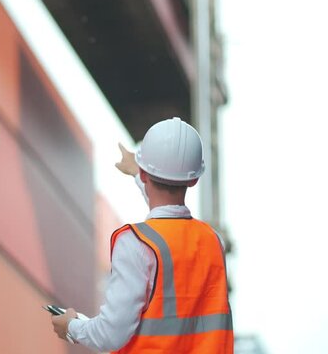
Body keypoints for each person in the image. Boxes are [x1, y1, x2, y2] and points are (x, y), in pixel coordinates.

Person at [51, 117, 233, 353]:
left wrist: (71, 327)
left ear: (146, 174)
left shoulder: (135, 244)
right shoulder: (213, 241)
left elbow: (109, 335)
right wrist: (139, 173)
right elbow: (169, 215)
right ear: (195, 179)